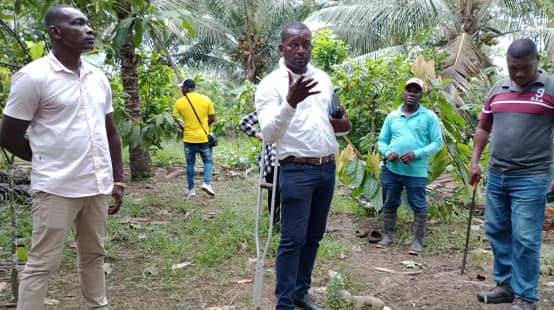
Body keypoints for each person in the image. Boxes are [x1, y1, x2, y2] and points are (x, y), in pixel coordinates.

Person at [0, 5, 124, 309]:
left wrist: (118, 180)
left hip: (96, 187)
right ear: (56, 32)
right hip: (56, 188)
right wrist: (44, 156)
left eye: (88, 24)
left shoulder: (97, 77)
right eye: (78, 24)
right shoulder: (33, 78)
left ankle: (97, 305)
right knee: (42, 263)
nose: (89, 30)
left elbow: (111, 133)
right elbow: (8, 134)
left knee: (94, 255)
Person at [255, 22, 351, 310]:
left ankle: (300, 291)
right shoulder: (270, 85)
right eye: (294, 44)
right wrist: (290, 102)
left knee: (313, 236)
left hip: (327, 168)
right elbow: (269, 134)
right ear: (281, 48)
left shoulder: (323, 78)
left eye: (306, 44)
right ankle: (284, 303)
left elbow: (339, 122)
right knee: (292, 238)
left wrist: (344, 125)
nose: (300, 50)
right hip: (296, 170)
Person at [470, 38, 554, 310]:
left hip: (532, 176)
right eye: (512, 67)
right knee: (497, 230)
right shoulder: (498, 88)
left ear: (536, 62)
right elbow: (483, 128)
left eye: (524, 68)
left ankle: (527, 296)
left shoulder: (550, 88)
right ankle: (506, 286)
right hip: (497, 175)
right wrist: (475, 162)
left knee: (526, 237)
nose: (517, 74)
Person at [376, 77, 443, 255]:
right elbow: (382, 141)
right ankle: (388, 235)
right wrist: (387, 152)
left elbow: (437, 143)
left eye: (416, 91)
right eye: (409, 90)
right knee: (390, 202)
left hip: (416, 171)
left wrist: (416, 154)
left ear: (421, 95)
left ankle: (417, 241)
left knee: (419, 205)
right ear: (403, 92)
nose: (412, 94)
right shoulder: (392, 117)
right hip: (392, 169)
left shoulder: (429, 117)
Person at [173, 79, 216, 198]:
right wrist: (204, 126)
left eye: (182, 88)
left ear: (186, 88)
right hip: (203, 138)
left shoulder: (179, 102)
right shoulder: (206, 99)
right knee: (208, 161)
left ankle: (191, 190)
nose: (181, 90)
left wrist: (183, 127)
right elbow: (212, 118)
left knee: (190, 164)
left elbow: (175, 119)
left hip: (188, 139)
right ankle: (206, 183)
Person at [239, 111, 281, 227]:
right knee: (274, 193)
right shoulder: (267, 108)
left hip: (292, 157)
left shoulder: (296, 105)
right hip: (272, 157)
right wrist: (258, 134)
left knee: (288, 193)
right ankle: (275, 224)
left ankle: (284, 223)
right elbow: (244, 123)